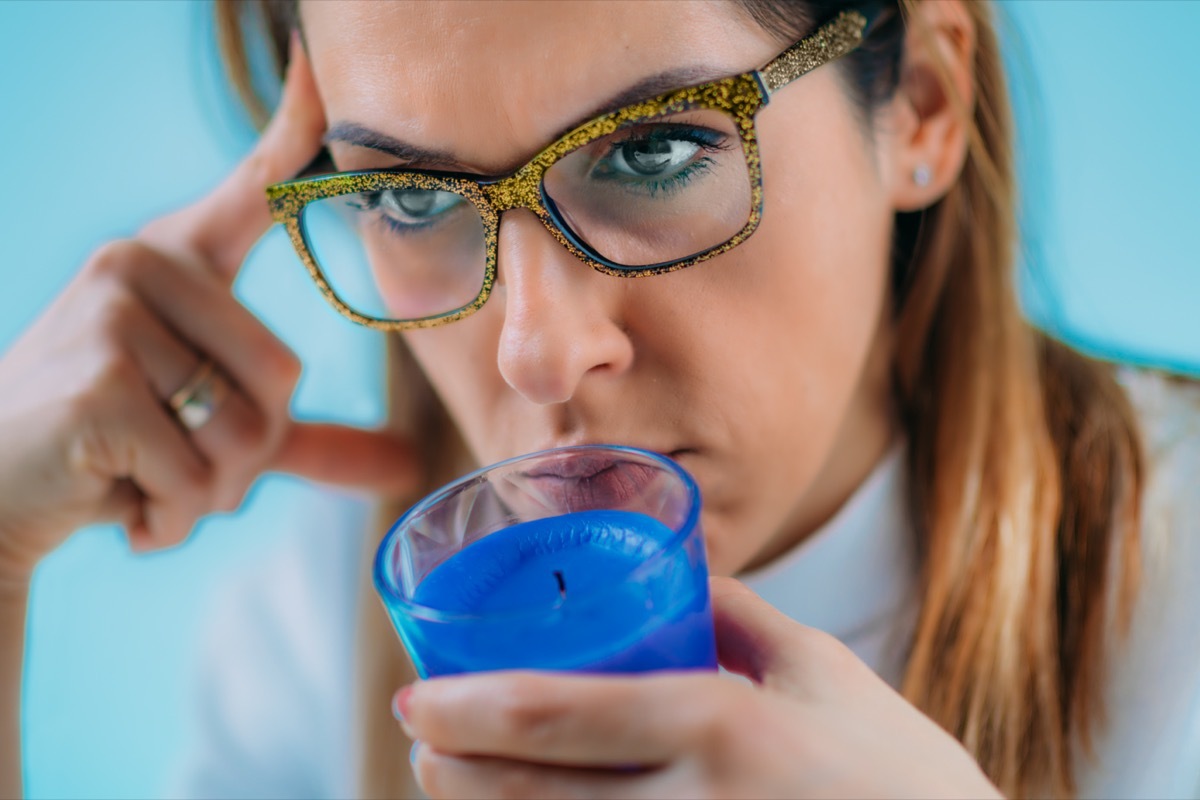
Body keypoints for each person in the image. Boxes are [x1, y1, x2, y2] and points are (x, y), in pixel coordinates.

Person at [2, 0, 1198, 797]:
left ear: (925, 102)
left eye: (653, 154)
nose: (535, 354)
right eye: (412, 199)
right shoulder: (318, 625)